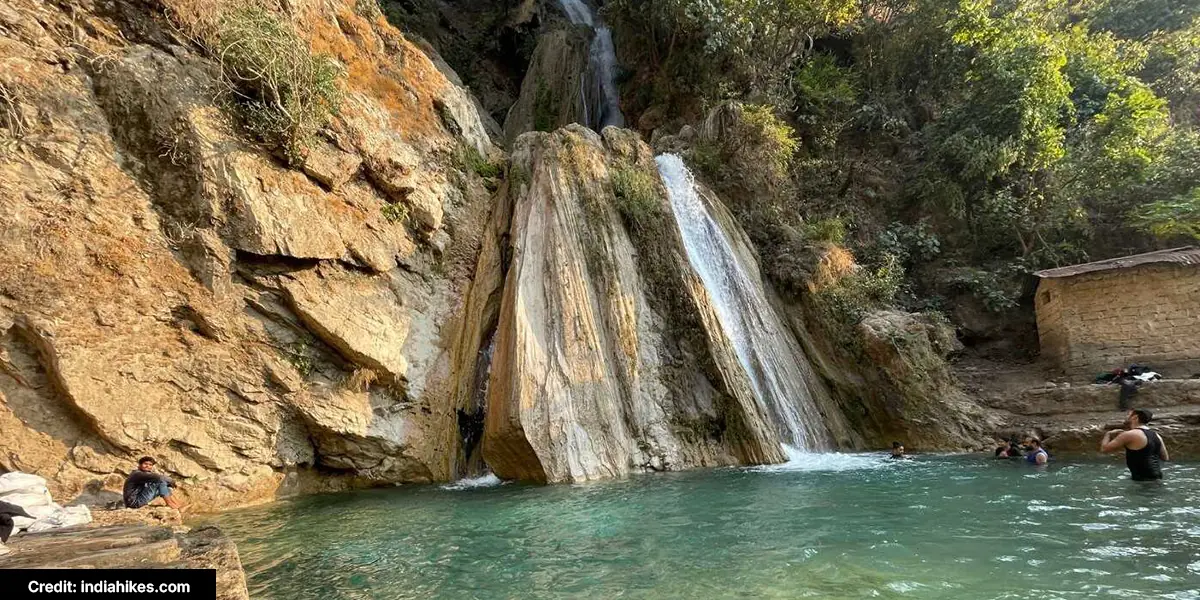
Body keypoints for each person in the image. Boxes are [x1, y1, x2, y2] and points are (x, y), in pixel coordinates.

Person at [1100, 408, 1169, 481]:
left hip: (1142, 480)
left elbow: (1104, 449)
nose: (1126, 417)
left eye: (1128, 415)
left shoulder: (1130, 434)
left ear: (1135, 417)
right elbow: (1165, 458)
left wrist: (1108, 434)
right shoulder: (1156, 435)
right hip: (1157, 477)